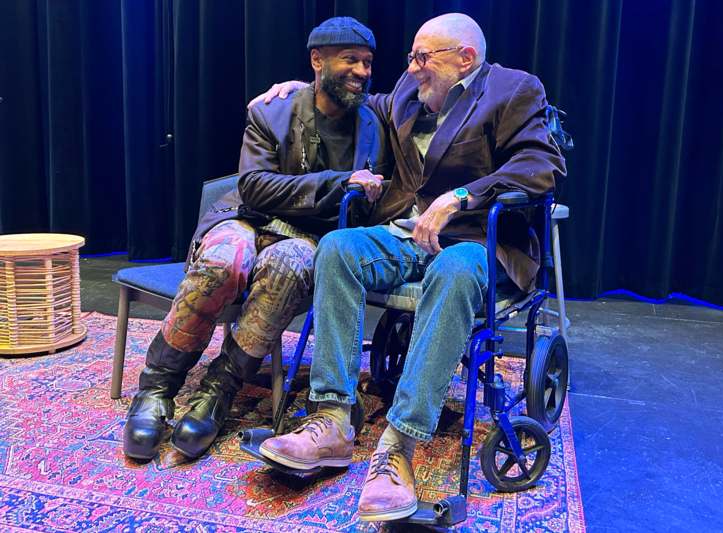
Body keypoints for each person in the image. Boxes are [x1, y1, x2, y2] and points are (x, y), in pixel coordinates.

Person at [256, 12, 566, 522]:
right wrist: (301, 87)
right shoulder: (408, 89)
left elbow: (540, 167)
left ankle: (398, 445)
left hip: (478, 242)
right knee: (337, 247)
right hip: (409, 233)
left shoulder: (514, 91)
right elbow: (362, 102)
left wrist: (462, 197)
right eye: (411, 57)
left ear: (465, 58)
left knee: (457, 268)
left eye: (424, 58)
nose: (413, 68)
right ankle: (332, 418)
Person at [122, 16, 387, 461]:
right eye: (350, 60)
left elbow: (425, 96)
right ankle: (156, 388)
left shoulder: (375, 118)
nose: (362, 71)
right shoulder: (272, 110)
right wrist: (341, 183)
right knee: (226, 260)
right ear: (317, 61)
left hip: (307, 235)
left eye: (367, 62)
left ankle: (219, 389)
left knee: (290, 265)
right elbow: (256, 187)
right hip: (246, 218)